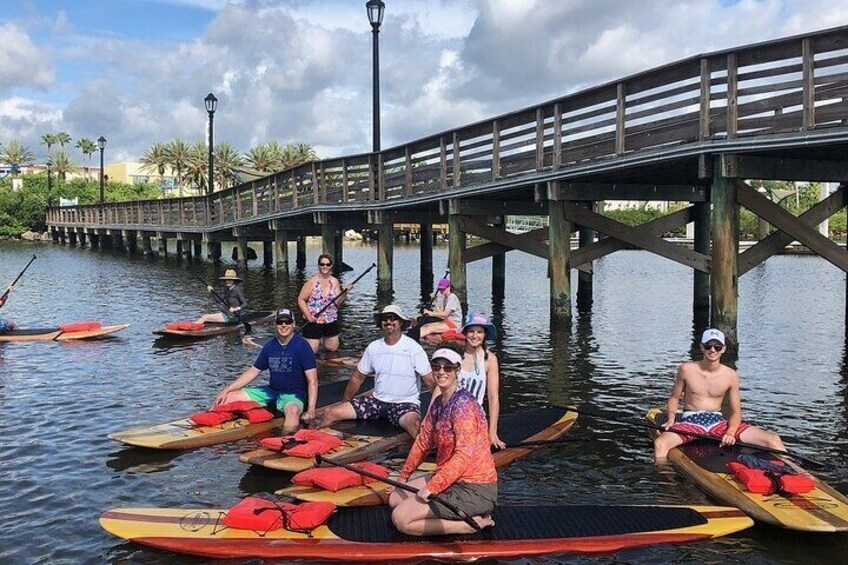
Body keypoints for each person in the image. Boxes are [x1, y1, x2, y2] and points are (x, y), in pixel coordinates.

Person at [389, 348, 498, 536]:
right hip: (449, 478)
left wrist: (432, 488)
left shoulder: (464, 406)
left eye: (447, 367)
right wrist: (402, 478)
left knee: (401, 519)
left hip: (475, 487)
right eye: (436, 367)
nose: (441, 372)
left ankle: (469, 526)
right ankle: (438, 512)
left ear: (457, 371)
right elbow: (423, 443)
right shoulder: (439, 402)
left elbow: (463, 456)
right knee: (395, 498)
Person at [654, 328, 786, 462]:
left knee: (773, 440)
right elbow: (674, 398)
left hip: (718, 423)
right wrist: (671, 419)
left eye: (717, 347)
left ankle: (793, 473)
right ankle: (666, 477)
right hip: (691, 422)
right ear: (702, 347)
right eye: (708, 346)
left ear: (723, 349)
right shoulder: (686, 369)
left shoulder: (731, 375)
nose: (712, 350)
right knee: (661, 444)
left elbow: (736, 412)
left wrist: (730, 432)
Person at [319, 305, 435, 437]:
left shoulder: (414, 348)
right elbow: (357, 378)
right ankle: (317, 444)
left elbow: (430, 380)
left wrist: (440, 408)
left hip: (404, 404)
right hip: (377, 402)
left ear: (400, 322)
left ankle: (426, 456)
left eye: (393, 318)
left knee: (415, 427)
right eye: (385, 318)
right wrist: (346, 402)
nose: (389, 322)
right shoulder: (374, 347)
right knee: (330, 413)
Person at [213, 308, 317, 434]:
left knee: (293, 411)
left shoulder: (303, 346)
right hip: (272, 391)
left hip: (293, 395)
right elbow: (252, 372)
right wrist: (227, 390)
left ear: (293, 324)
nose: (284, 325)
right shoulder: (269, 346)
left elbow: (313, 381)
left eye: (287, 321)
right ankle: (209, 421)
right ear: (275, 324)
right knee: (229, 397)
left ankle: (284, 440)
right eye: (280, 322)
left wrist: (311, 409)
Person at [459, 313, 504, 449]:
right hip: (452, 413)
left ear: (485, 335)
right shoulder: (456, 355)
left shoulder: (490, 359)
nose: (475, 336)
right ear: (465, 333)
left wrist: (492, 433)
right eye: (471, 331)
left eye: (479, 332)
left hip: (473, 416)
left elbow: (493, 397)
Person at [297, 253, 351, 354]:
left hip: (330, 319)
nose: (325, 267)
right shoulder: (312, 282)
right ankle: (317, 341)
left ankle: (322, 340)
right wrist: (308, 315)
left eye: (328, 264)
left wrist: (345, 292)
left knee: (332, 349)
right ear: (318, 265)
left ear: (331, 266)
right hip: (314, 320)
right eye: (322, 264)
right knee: (311, 352)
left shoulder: (334, 281)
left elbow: (338, 302)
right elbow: (301, 299)